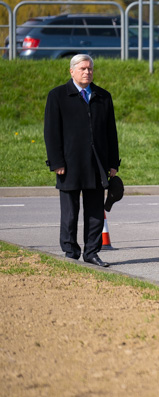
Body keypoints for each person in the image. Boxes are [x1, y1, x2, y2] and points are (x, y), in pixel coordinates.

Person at [43, 54, 120, 268]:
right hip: (68, 164)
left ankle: (92, 253)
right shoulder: (57, 96)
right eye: (83, 69)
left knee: (95, 212)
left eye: (90, 69)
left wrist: (113, 163)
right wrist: (56, 161)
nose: (87, 72)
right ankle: (70, 252)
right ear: (72, 71)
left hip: (96, 164)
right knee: (69, 212)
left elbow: (111, 133)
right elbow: (51, 132)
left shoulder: (103, 96)